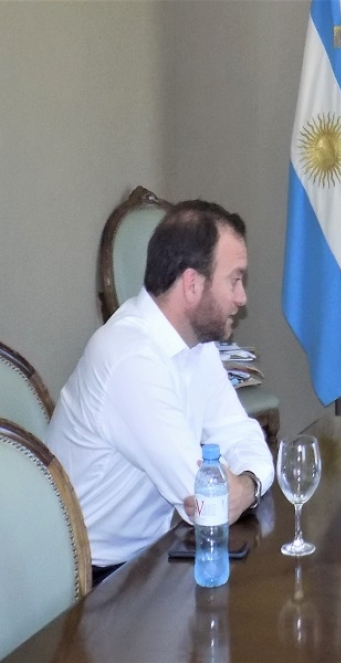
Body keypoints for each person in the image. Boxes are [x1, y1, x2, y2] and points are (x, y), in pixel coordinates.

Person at [48, 200, 275, 585]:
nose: (242, 298)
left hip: (148, 558)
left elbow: (242, 436)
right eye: (234, 280)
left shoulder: (196, 346)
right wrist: (231, 492)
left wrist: (247, 485)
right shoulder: (129, 358)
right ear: (192, 284)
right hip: (89, 583)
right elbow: (200, 498)